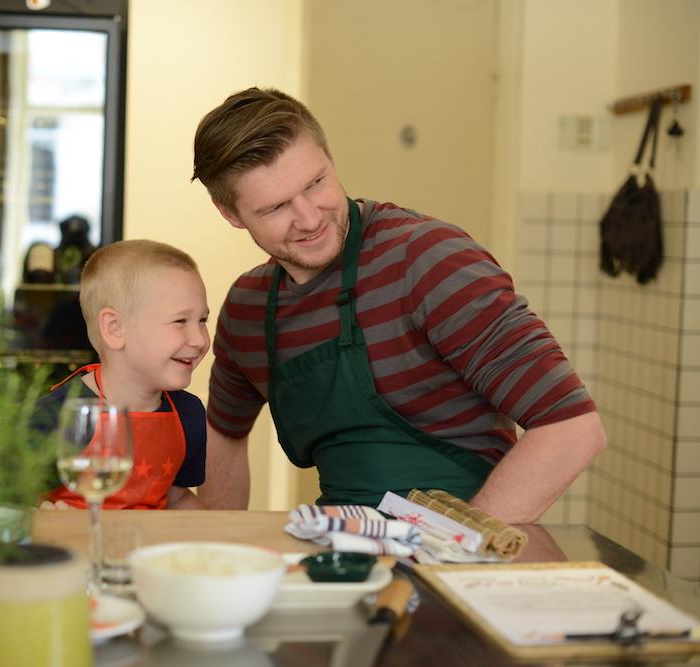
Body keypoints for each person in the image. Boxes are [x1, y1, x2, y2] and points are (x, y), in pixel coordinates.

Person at [191, 87, 606, 523]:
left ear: (330, 156)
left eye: (316, 183)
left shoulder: (428, 261)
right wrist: (221, 551)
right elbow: (224, 433)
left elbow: (571, 429)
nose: (310, 218)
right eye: (276, 207)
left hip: (465, 554)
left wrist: (449, 548)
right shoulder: (248, 308)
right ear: (231, 214)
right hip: (347, 552)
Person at [0, 239, 210, 510]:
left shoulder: (189, 414)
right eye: (180, 321)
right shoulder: (51, 418)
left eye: (202, 320)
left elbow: (178, 498)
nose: (199, 339)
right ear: (115, 329)